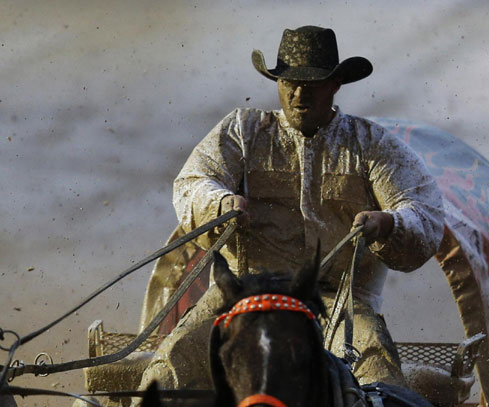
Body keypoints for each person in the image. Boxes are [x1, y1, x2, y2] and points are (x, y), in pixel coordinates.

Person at [135, 25, 444, 397]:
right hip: (240, 294)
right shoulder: (241, 131)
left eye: (311, 84)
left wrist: (389, 222)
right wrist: (220, 202)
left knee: (377, 379)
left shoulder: (372, 145)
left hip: (339, 302)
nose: (298, 94)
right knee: (167, 371)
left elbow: (424, 212)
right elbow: (193, 183)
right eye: (289, 83)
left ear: (336, 85)